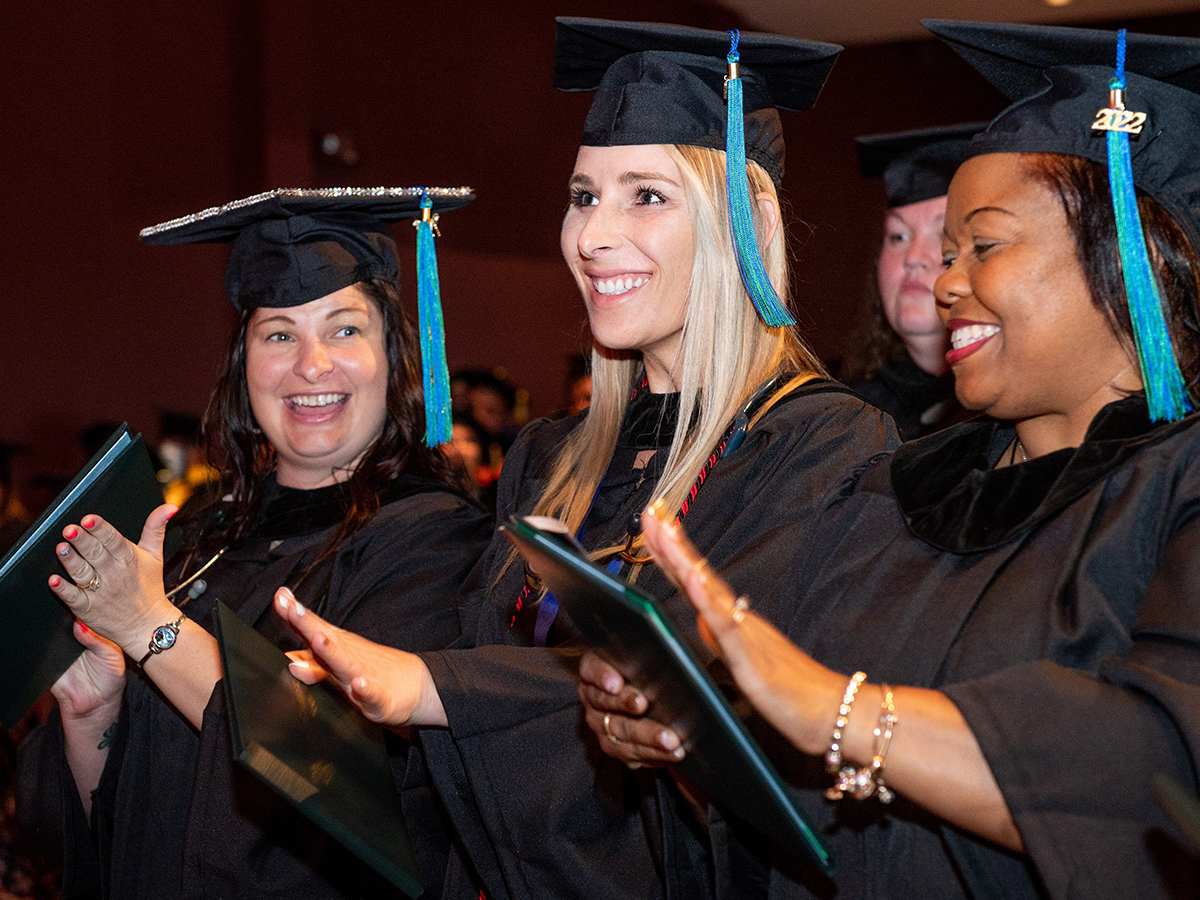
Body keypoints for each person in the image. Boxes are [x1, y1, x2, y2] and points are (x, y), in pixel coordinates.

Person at [271, 18, 896, 900]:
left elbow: (714, 706)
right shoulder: (550, 459)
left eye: (645, 195)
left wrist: (429, 687)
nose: (592, 234)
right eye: (581, 194)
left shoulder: (824, 448)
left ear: (744, 228)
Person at [581, 20, 1200, 900]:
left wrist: (837, 712)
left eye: (983, 246)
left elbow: (1158, 775)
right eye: (944, 253)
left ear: (1129, 258)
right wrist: (687, 730)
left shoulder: (1178, 490)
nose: (944, 282)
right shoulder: (889, 493)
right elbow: (785, 787)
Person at [16, 188, 494, 899]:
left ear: (394, 354)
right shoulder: (197, 540)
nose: (310, 366)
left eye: (343, 330)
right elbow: (99, 834)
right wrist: (95, 717)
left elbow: (341, 772)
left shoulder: (432, 542)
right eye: (278, 334)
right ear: (244, 362)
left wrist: (151, 627)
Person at [843, 124, 981, 439]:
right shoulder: (844, 419)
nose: (913, 257)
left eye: (943, 234)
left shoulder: (1009, 420)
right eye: (898, 236)